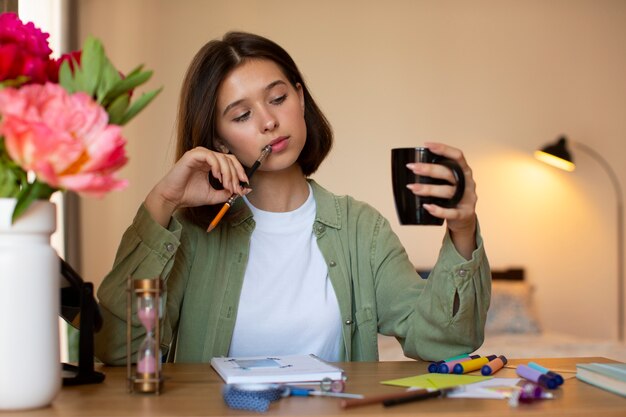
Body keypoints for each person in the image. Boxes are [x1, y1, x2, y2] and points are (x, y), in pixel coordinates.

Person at [94, 31, 490, 365]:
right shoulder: (189, 234)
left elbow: (443, 342)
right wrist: (163, 201)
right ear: (218, 141)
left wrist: (462, 228)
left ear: (300, 98)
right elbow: (117, 349)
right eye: (241, 115)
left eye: (278, 98)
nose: (269, 121)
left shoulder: (361, 229)